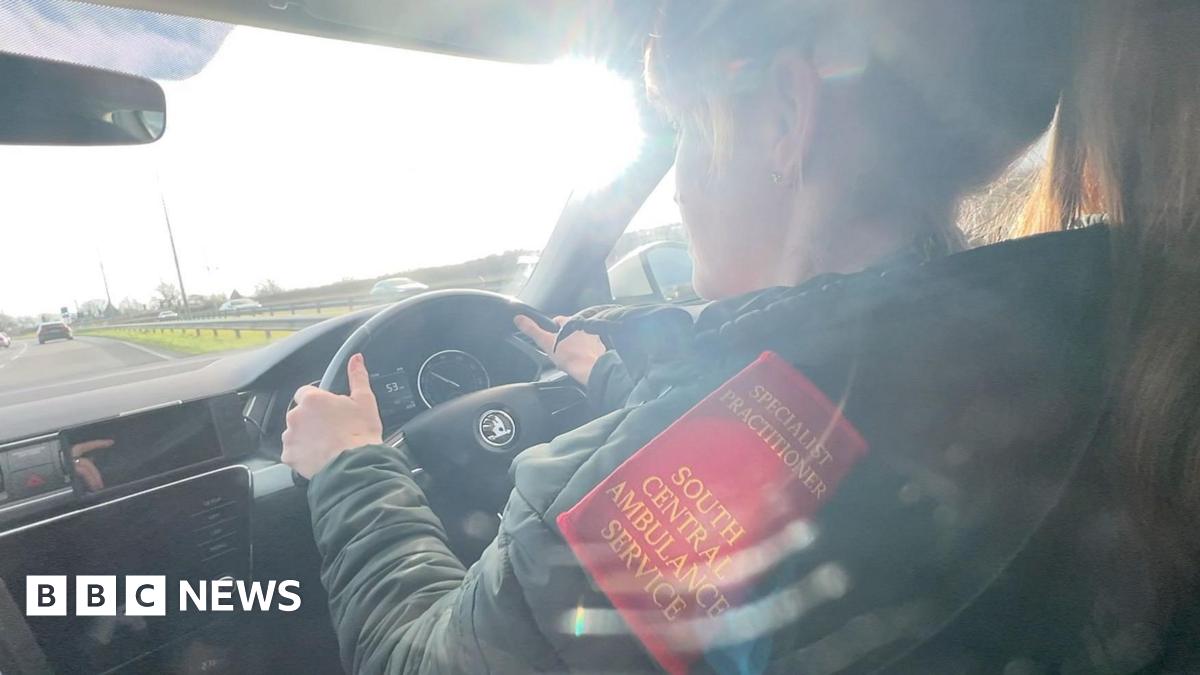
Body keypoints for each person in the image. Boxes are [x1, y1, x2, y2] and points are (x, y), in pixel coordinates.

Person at [280, 1, 1200, 672]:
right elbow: (828, 445)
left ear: (785, 119)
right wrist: (618, 383)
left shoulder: (763, 433)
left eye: (683, 127)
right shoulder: (1100, 332)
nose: (678, 180)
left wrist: (352, 463)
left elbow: (418, 661)